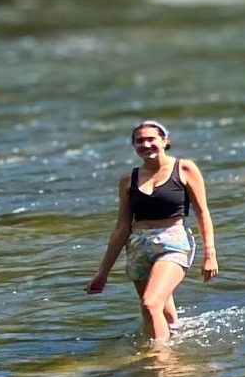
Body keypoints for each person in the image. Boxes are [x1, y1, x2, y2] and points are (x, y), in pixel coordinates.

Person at [85, 120, 218, 345]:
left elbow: (202, 212)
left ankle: (160, 360)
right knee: (157, 313)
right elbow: (121, 228)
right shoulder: (129, 179)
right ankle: (177, 343)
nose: (146, 144)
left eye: (151, 139)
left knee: (151, 303)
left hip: (173, 242)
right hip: (138, 246)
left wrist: (210, 254)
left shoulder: (184, 168)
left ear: (164, 141)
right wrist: (102, 272)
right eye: (139, 141)